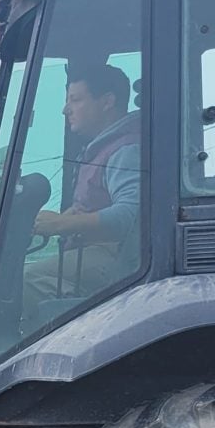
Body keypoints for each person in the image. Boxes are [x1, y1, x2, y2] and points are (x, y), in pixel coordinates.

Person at [29, 64, 142, 301]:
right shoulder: (103, 149)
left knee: (27, 279)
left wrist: (61, 224)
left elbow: (130, 215)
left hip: (115, 256)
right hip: (99, 253)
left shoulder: (125, 150)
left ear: (107, 101)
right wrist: (65, 218)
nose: (65, 110)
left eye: (76, 99)